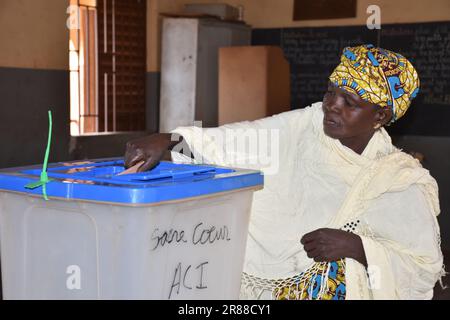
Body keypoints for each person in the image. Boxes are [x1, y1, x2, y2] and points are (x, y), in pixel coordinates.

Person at [124, 44, 445, 300]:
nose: (332, 105)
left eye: (349, 102)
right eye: (330, 92)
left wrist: (357, 247)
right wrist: (169, 140)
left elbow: (422, 270)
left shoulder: (398, 182)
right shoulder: (304, 127)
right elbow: (231, 144)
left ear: (380, 115)